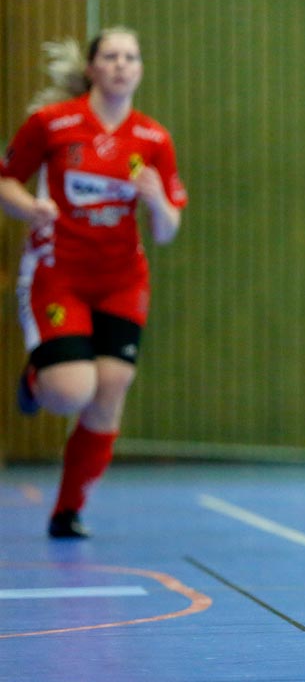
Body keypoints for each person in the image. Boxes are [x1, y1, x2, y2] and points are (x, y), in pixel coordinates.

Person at [1, 28, 187, 539]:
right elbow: (6, 179)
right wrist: (31, 207)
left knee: (112, 388)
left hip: (122, 279)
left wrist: (156, 203)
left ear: (140, 69)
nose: (122, 65)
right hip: (59, 273)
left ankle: (67, 510)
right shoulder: (53, 124)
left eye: (131, 56)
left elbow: (167, 231)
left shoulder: (153, 140)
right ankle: (38, 381)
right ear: (92, 68)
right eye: (111, 56)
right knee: (71, 392)